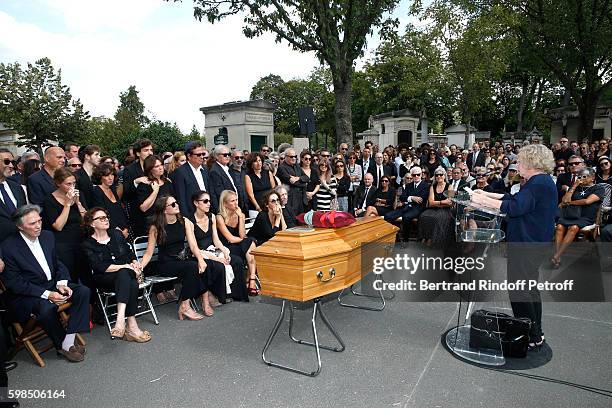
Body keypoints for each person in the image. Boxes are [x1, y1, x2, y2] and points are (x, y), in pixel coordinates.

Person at [470, 144, 558, 349]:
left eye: (519, 161)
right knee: (528, 289)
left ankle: (529, 335)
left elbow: (516, 207)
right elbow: (514, 199)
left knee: (521, 290)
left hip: (528, 243)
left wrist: (482, 199)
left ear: (531, 162)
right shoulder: (540, 181)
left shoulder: (539, 183)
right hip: (532, 242)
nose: (517, 165)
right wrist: (489, 196)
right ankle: (535, 333)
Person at [1, 205, 89, 362]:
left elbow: (58, 263)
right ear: (20, 226)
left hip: (51, 283)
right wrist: (48, 294)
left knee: (82, 291)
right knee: (46, 307)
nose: (38, 226)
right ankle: (62, 344)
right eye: (32, 223)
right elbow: (15, 283)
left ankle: (67, 342)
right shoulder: (8, 247)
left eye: (39, 221)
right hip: (26, 294)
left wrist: (62, 283)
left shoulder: (47, 236)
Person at [81, 208, 151, 342]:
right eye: (101, 218)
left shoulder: (116, 234)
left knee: (126, 277)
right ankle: (131, 326)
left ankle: (122, 322)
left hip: (126, 274)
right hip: (105, 278)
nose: (106, 219)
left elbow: (129, 254)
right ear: (91, 223)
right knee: (129, 280)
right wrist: (125, 266)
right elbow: (99, 267)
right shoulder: (87, 244)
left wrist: (135, 262)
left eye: (106, 217)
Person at [140, 195, 209, 320]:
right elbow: (149, 253)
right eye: (172, 204)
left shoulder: (184, 221)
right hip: (166, 264)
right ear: (164, 210)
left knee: (198, 265)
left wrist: (201, 259)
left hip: (182, 260)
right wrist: (139, 267)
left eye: (176, 202)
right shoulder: (156, 228)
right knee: (192, 267)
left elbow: (193, 245)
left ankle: (190, 303)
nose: (176, 205)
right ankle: (185, 306)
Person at [189, 191, 247, 302]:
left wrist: (224, 251)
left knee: (237, 261)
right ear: (196, 203)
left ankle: (235, 294)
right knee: (219, 265)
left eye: (209, 201)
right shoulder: (189, 220)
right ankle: (218, 295)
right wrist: (217, 258)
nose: (208, 204)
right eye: (205, 201)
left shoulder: (212, 217)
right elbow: (193, 246)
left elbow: (216, 239)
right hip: (200, 253)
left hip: (213, 250)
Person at [551, 168, 605, 267]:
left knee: (574, 227)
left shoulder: (599, 188)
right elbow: (564, 200)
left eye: (584, 176)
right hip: (571, 215)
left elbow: (587, 201)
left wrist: (569, 203)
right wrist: (574, 186)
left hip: (586, 217)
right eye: (579, 177)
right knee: (559, 227)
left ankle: (557, 256)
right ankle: (558, 256)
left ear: (592, 177)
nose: (581, 179)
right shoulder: (576, 187)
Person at [42, 167, 87, 282]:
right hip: (63, 244)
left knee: (86, 274)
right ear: (58, 183)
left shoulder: (79, 195)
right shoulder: (49, 200)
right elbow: (58, 226)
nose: (72, 187)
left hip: (81, 239)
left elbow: (87, 220)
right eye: (68, 184)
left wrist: (78, 203)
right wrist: (67, 204)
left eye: (74, 183)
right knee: (70, 275)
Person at [216, 190, 258, 296]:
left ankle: (251, 279)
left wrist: (241, 217)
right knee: (250, 242)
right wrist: (244, 240)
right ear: (225, 203)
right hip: (226, 248)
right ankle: (250, 280)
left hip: (238, 245)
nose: (236, 203)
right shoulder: (219, 217)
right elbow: (230, 239)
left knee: (251, 243)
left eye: (236, 200)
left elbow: (242, 235)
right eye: (232, 201)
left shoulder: (240, 214)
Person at [384, 167, 429, 240]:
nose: (416, 176)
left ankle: (405, 239)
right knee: (387, 216)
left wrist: (408, 198)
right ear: (412, 175)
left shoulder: (425, 185)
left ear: (421, 175)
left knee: (406, 217)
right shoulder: (408, 185)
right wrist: (412, 198)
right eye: (414, 175)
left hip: (418, 208)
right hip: (405, 207)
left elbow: (421, 199)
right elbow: (402, 197)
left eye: (418, 174)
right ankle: (395, 236)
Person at [134, 156, 175, 237]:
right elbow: (143, 208)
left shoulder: (167, 182)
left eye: (161, 165)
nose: (161, 168)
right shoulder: (144, 185)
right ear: (150, 169)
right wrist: (155, 191)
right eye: (157, 166)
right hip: (153, 224)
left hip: (169, 221)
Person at [170, 141, 210, 216]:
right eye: (198, 154)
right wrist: (187, 218)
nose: (202, 157)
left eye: (203, 154)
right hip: (191, 214)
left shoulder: (205, 170)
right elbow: (181, 198)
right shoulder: (180, 172)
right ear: (189, 156)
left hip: (206, 213)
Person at [91, 163, 130, 239]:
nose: (110, 178)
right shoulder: (96, 191)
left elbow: (120, 211)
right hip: (109, 231)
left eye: (112, 175)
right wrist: (118, 231)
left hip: (123, 230)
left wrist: (125, 228)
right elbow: (102, 213)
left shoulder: (112, 189)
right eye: (106, 175)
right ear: (100, 177)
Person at [418, 167, 454, 246]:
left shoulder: (449, 186)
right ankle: (425, 237)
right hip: (433, 208)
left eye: (441, 175)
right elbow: (431, 202)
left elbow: (450, 202)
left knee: (437, 218)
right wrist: (442, 202)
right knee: (423, 216)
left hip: (446, 210)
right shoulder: (432, 186)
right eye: (436, 175)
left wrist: (437, 203)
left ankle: (433, 239)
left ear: (444, 176)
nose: (439, 176)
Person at [120, 139, 154, 218]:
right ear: (138, 153)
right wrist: (136, 182)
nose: (150, 153)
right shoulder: (129, 170)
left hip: (157, 212)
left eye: (151, 150)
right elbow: (126, 194)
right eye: (146, 150)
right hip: (139, 214)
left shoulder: (157, 166)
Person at [0, 151, 26, 242]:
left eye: (12, 162)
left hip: (21, 243)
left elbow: (24, 213)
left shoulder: (17, 187)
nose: (11, 166)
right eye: (6, 162)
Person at [276, 148, 308, 215]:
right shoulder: (282, 168)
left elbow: (307, 178)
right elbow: (293, 183)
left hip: (301, 199)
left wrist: (298, 178)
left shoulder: (297, 166)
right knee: (293, 220)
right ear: (286, 157)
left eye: (295, 156)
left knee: (302, 219)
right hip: (291, 199)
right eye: (291, 157)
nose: (294, 158)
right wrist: (303, 183)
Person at [74, 144, 101, 209]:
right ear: (87, 156)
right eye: (96, 154)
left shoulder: (99, 174)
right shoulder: (76, 176)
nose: (99, 157)